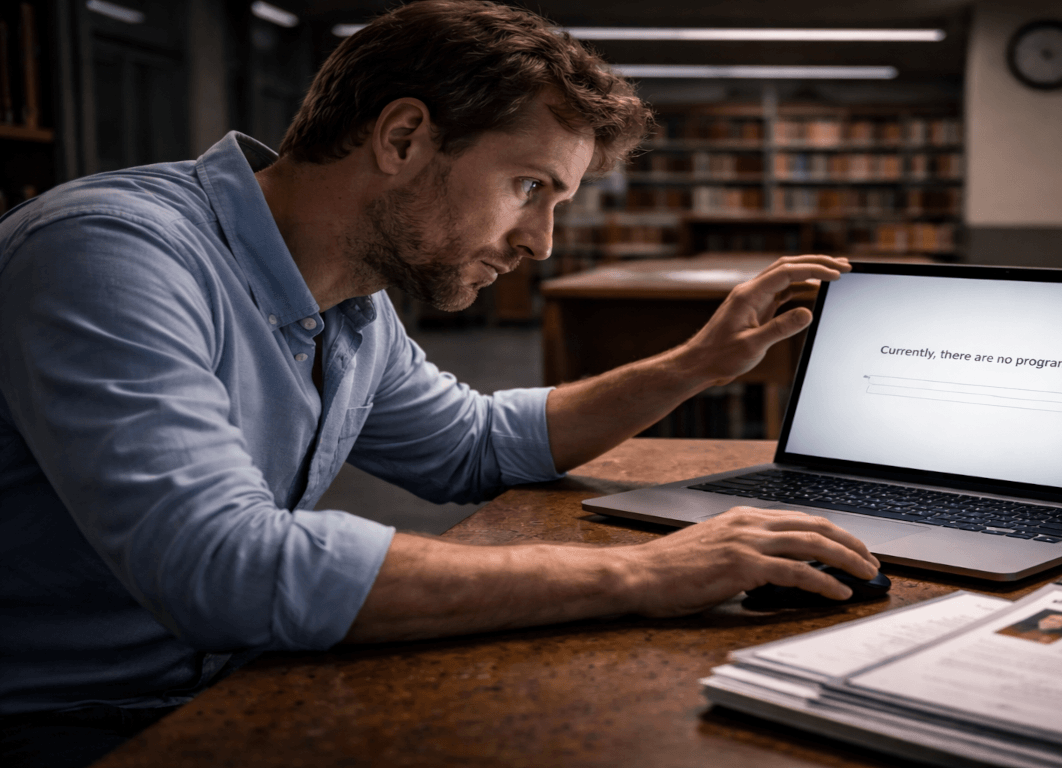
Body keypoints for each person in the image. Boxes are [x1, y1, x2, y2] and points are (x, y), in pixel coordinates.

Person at [0, 2, 876, 765]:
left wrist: (697, 364)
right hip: (64, 722)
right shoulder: (108, 254)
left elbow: (477, 446)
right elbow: (224, 566)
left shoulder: (351, 303)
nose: (541, 241)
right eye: (527, 187)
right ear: (403, 139)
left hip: (233, 683)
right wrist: (640, 573)